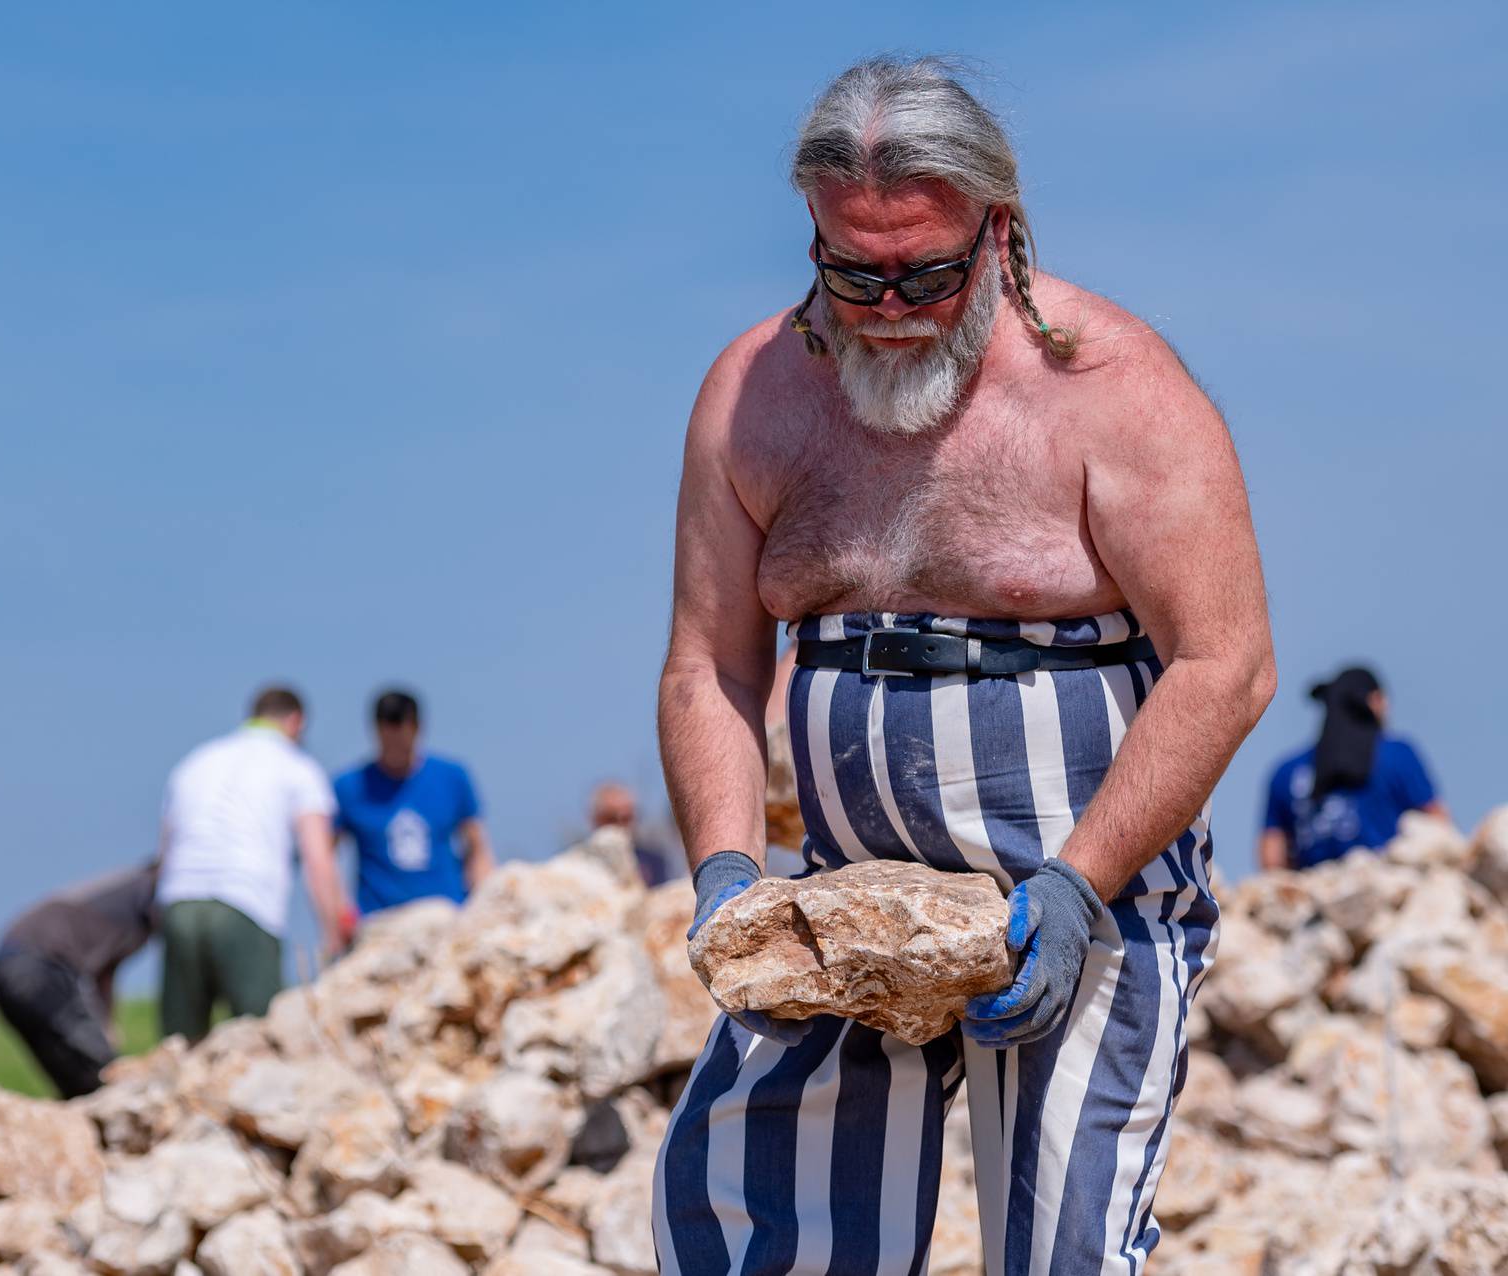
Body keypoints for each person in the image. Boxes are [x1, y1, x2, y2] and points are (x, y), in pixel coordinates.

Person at [652, 57, 1274, 1274]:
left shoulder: (1112, 386)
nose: (889, 308)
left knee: (1065, 1247)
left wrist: (1079, 885)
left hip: (1084, 898)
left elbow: (1226, 661)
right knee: (748, 1224)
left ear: (1002, 228)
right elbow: (705, 668)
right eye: (854, 272)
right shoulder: (756, 395)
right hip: (848, 904)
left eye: (925, 274)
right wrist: (727, 875)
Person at [157, 685, 353, 1041]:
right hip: (247, 905)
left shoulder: (196, 761)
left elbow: (166, 851)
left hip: (180, 902)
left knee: (180, 1049)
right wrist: (334, 933)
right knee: (262, 1044)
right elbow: (318, 860)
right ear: (296, 722)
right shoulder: (298, 768)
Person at [0, 861, 159, 1098]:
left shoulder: (126, 890)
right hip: (37, 964)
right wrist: (100, 1040)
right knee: (105, 1073)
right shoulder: (145, 894)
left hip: (6, 967)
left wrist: (106, 1026)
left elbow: (105, 971)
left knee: (77, 1079)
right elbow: (93, 976)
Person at [1259, 667, 1446, 871]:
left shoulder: (1286, 773)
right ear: (1374, 701)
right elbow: (1439, 827)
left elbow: (1271, 857)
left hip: (1315, 889)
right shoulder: (1397, 755)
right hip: (1387, 880)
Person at [334, 689, 495, 916]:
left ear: (418, 728)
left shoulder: (452, 778)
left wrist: (483, 905)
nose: (395, 750)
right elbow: (325, 854)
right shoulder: (351, 786)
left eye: (402, 740)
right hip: (378, 923)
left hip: (446, 915)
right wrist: (339, 911)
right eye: (387, 740)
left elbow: (477, 847)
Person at [589, 781, 675, 887]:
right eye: (611, 818)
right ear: (595, 819)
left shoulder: (653, 862)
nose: (620, 825)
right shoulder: (579, 864)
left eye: (626, 818)